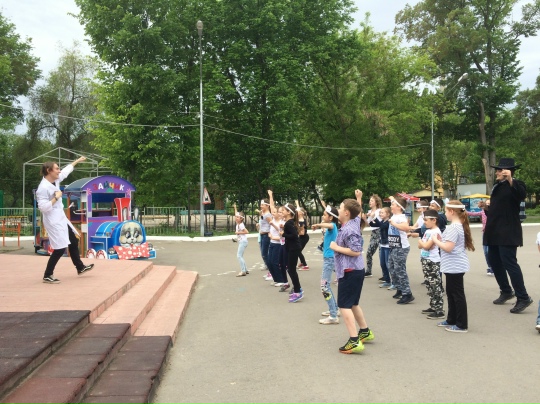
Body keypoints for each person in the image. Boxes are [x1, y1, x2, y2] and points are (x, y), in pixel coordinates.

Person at [483, 158, 533, 313]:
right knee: (494, 262)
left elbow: (521, 195)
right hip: (494, 231)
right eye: (497, 170)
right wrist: (486, 208)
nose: (497, 173)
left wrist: (511, 179)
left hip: (508, 231)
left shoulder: (517, 184)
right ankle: (506, 291)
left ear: (508, 172)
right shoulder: (497, 187)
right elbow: (497, 210)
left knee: (509, 263)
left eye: (500, 170)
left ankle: (523, 297)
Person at [36, 157, 94, 283]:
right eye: (57, 169)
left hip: (60, 218)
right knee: (60, 248)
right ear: (49, 170)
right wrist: (56, 198)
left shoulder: (55, 180)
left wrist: (77, 161)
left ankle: (80, 267)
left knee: (73, 241)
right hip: (53, 221)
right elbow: (43, 207)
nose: (59, 171)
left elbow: (66, 171)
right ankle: (47, 274)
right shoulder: (42, 188)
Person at [330, 190, 374, 354]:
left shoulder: (349, 229)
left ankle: (354, 340)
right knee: (353, 303)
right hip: (355, 270)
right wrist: (358, 199)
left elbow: (356, 250)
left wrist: (336, 247)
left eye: (340, 208)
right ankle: (364, 331)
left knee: (344, 305)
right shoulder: (353, 221)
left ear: (346, 213)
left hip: (350, 271)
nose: (338, 210)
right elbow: (358, 212)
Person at [432, 200, 474, 333]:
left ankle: (461, 324)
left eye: (445, 211)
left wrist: (436, 240)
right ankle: (451, 319)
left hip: (455, 266)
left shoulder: (454, 227)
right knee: (451, 293)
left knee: (457, 294)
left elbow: (448, 248)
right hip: (452, 266)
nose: (444, 214)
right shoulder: (455, 226)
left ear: (451, 212)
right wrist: (441, 240)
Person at [312, 205, 340, 325]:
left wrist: (318, 225)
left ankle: (333, 315)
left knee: (324, 286)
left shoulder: (332, 225)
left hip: (330, 259)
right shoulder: (331, 227)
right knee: (326, 286)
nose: (323, 216)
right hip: (329, 258)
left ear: (331, 217)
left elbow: (330, 225)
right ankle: (334, 309)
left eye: (324, 215)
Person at [417, 209, 444, 319]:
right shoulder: (428, 231)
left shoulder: (436, 232)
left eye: (426, 220)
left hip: (432, 261)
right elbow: (421, 246)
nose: (424, 222)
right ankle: (433, 306)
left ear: (434, 220)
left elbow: (426, 246)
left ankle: (439, 310)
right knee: (429, 284)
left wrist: (420, 241)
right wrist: (422, 243)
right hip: (425, 259)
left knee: (435, 285)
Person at [388, 195, 414, 304]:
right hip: (394, 246)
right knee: (391, 267)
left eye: (393, 205)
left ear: (399, 207)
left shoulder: (401, 217)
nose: (391, 206)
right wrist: (392, 199)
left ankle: (407, 294)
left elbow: (406, 227)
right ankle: (400, 288)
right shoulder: (395, 215)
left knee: (400, 270)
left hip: (401, 247)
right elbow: (395, 201)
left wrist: (394, 224)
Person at [281, 203, 304, 302]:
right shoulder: (289, 222)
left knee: (291, 270)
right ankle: (298, 288)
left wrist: (283, 234)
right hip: (292, 248)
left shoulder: (289, 223)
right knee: (290, 269)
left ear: (288, 212)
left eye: (283, 210)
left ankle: (298, 291)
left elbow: (294, 235)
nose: (282, 212)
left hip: (294, 248)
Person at [369, 207, 392, 288]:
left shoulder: (388, 222)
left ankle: (393, 281)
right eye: (380, 212)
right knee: (382, 263)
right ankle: (387, 280)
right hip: (382, 244)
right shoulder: (382, 221)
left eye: (382, 213)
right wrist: (370, 218)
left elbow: (382, 226)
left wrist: (374, 217)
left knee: (388, 264)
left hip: (388, 245)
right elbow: (373, 224)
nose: (380, 214)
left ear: (388, 214)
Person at [364, 194, 383, 278]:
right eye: (370, 200)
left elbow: (380, 223)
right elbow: (369, 224)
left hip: (380, 232)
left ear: (376, 202)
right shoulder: (369, 211)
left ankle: (385, 275)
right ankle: (368, 271)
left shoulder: (379, 211)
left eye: (372, 201)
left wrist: (373, 216)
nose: (370, 202)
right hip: (374, 233)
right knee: (369, 252)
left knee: (382, 254)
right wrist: (364, 218)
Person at [477, 200, 494, 276]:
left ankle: (494, 267)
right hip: (485, 233)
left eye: (489, 203)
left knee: (490, 251)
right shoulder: (482, 212)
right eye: (486, 203)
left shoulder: (494, 212)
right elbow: (471, 213)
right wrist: (462, 209)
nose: (487, 205)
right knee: (485, 251)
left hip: (492, 234)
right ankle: (490, 266)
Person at [233, 204, 249, 277]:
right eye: (236, 217)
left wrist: (238, 232)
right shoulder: (238, 223)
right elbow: (236, 213)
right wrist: (235, 208)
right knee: (241, 256)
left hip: (243, 241)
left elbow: (247, 232)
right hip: (242, 241)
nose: (236, 218)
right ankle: (245, 269)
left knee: (239, 256)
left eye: (237, 217)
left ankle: (243, 271)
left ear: (241, 219)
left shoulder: (241, 225)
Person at [259, 199, 273, 280]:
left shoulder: (268, 215)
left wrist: (270, 233)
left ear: (267, 206)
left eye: (262, 205)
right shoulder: (263, 213)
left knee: (265, 254)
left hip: (266, 236)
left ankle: (272, 272)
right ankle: (271, 272)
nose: (261, 206)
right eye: (261, 205)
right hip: (262, 235)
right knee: (264, 254)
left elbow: (272, 224)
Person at [295, 200, 310, 270]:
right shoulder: (300, 219)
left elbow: (302, 233)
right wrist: (297, 204)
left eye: (298, 212)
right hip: (301, 237)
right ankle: (302, 262)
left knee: (297, 251)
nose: (296, 212)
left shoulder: (302, 221)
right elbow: (298, 210)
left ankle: (305, 265)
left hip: (304, 237)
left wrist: (294, 232)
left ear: (301, 213)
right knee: (298, 251)